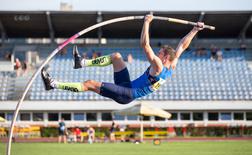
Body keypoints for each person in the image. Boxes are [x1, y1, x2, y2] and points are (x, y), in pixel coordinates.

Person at [41, 14, 205, 104]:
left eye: (160, 52)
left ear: (165, 57)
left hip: (127, 94)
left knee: (89, 83)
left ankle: (53, 84)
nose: (158, 54)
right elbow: (182, 46)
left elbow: (145, 45)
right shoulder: (171, 66)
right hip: (127, 85)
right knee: (116, 57)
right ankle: (81, 62)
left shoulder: (159, 67)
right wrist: (195, 30)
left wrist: (147, 22)